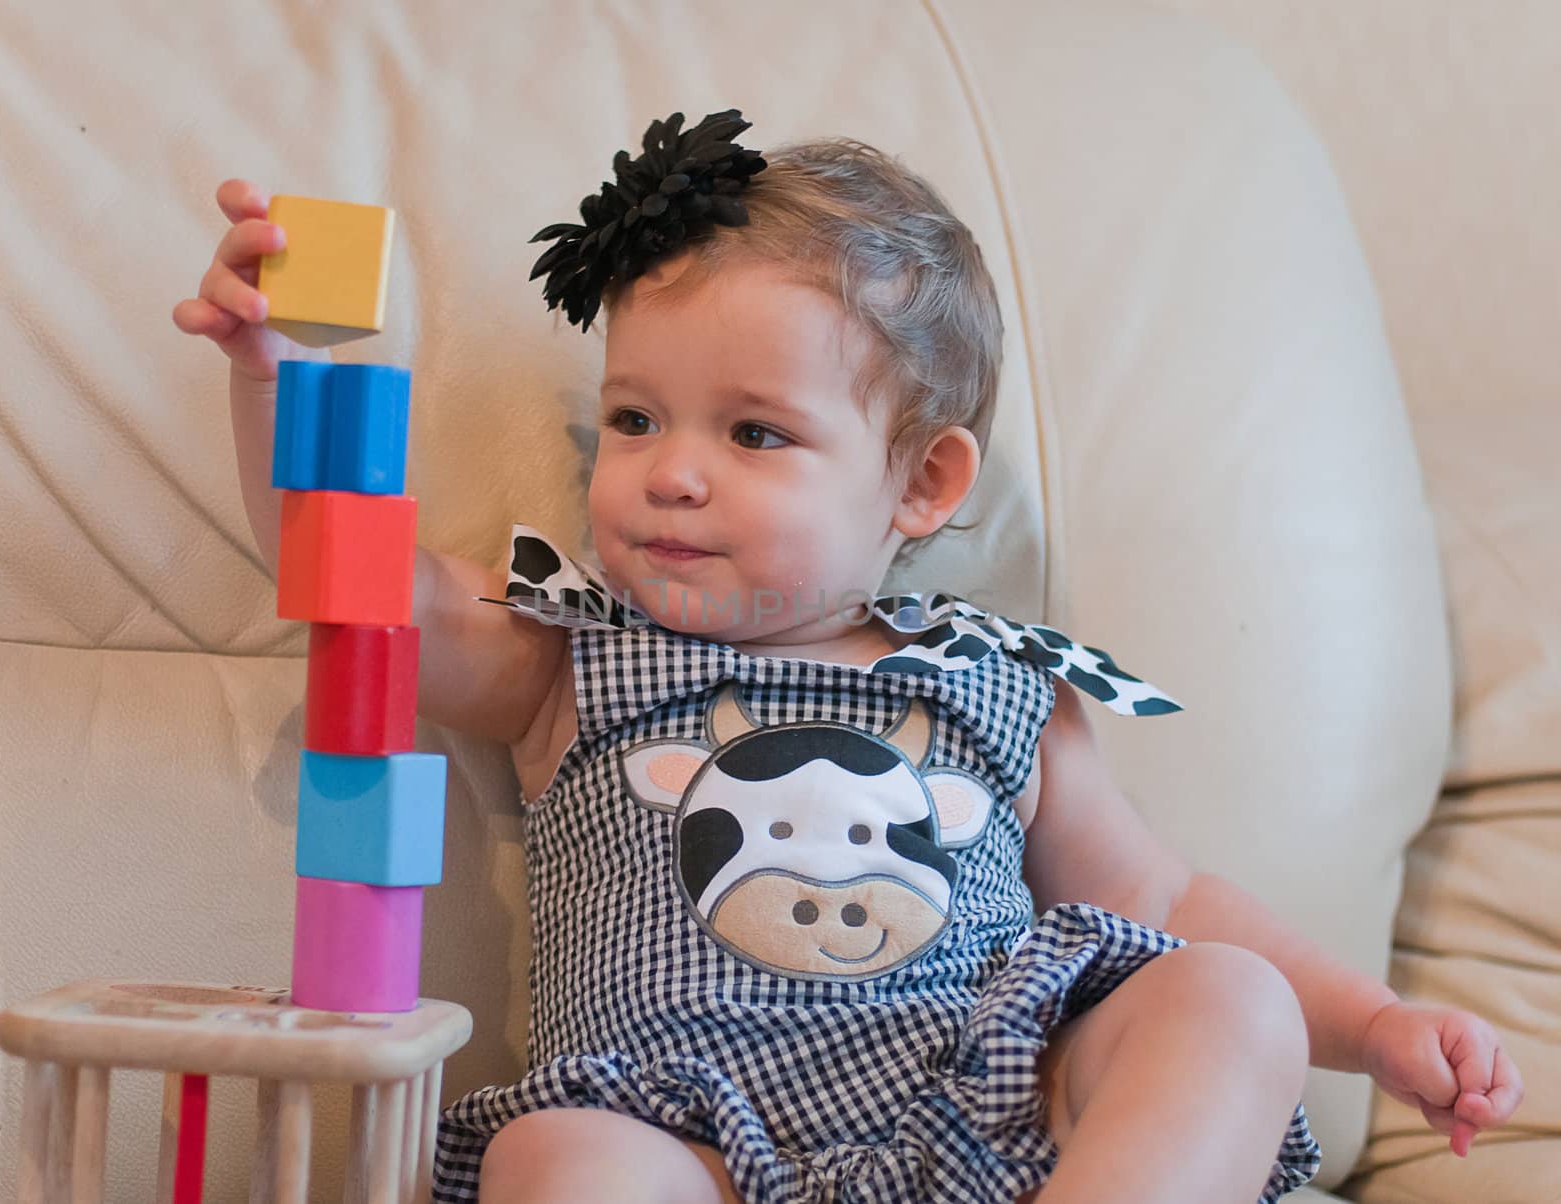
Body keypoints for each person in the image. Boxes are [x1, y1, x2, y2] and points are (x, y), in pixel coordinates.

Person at [174, 110, 1523, 1204]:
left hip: (995, 1118)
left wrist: (1378, 1026)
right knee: (555, 1161)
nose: (672, 477)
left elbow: (1161, 898)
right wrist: (269, 371)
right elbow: (358, 588)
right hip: (687, 1133)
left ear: (923, 483)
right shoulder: (571, 654)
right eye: (635, 419)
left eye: (754, 435)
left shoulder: (1005, 683)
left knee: (1223, 999)